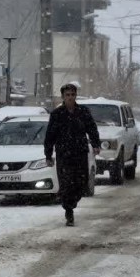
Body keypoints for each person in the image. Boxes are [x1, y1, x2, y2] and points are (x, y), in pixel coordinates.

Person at [44, 83, 101, 226]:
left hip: (80, 153)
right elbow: (50, 135)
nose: (70, 97)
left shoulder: (83, 112)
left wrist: (95, 144)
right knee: (66, 184)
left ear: (75, 96)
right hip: (64, 154)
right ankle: (68, 211)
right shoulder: (57, 114)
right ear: (63, 97)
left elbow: (92, 128)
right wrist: (48, 154)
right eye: (67, 95)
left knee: (81, 182)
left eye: (72, 95)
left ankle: (72, 201)